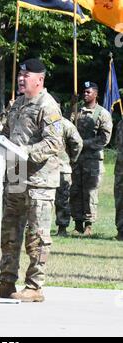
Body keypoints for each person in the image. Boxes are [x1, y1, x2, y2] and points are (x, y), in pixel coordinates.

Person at [0, 58, 62, 302]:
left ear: (40, 79)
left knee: (36, 235)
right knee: (9, 232)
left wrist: (26, 152)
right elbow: (6, 134)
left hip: (39, 181)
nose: (21, 78)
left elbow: (54, 142)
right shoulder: (17, 105)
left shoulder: (48, 106)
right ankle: (6, 282)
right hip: (15, 176)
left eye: (26, 75)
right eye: (20, 75)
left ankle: (35, 287)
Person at [70, 81, 113, 236]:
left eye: (89, 92)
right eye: (84, 92)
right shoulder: (78, 111)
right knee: (75, 191)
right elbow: (68, 128)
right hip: (76, 159)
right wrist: (72, 106)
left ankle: (89, 224)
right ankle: (77, 223)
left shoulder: (102, 114)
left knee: (89, 192)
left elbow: (104, 139)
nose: (85, 94)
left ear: (96, 94)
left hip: (92, 160)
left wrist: (83, 144)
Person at [55, 116, 83, 236]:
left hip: (61, 167)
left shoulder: (65, 124)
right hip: (42, 168)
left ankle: (62, 228)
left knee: (62, 199)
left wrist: (72, 159)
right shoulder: (41, 121)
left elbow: (77, 143)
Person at [114, 120, 123, 241]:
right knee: (120, 200)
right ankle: (121, 231)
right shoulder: (121, 123)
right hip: (120, 169)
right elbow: (117, 143)